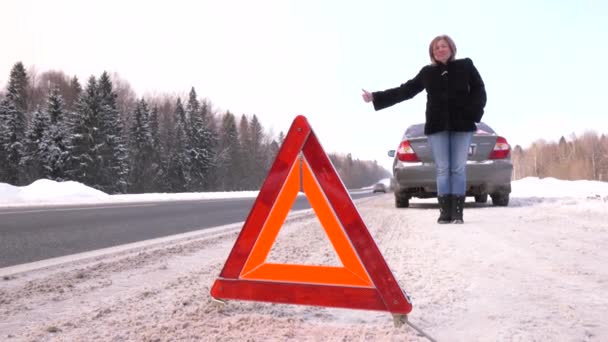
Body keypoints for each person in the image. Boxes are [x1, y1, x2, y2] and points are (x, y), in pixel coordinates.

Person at [362, 34, 486, 224]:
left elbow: (479, 90)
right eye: (436, 48)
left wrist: (473, 115)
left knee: (458, 169)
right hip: (437, 127)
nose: (440, 50)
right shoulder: (428, 72)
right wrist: (376, 97)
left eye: (443, 46)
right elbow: (406, 90)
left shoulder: (466, 66)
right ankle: (445, 213)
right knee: (443, 169)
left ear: (452, 49)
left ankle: (458, 214)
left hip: (462, 126)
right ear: (432, 53)